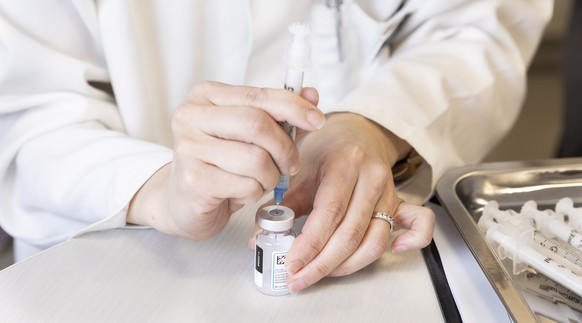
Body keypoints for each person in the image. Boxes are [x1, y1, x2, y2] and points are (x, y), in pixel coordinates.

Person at [0, 0, 551, 293]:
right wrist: (158, 190)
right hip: (98, 278)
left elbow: (480, 27)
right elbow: (25, 116)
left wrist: (373, 128)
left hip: (356, 275)